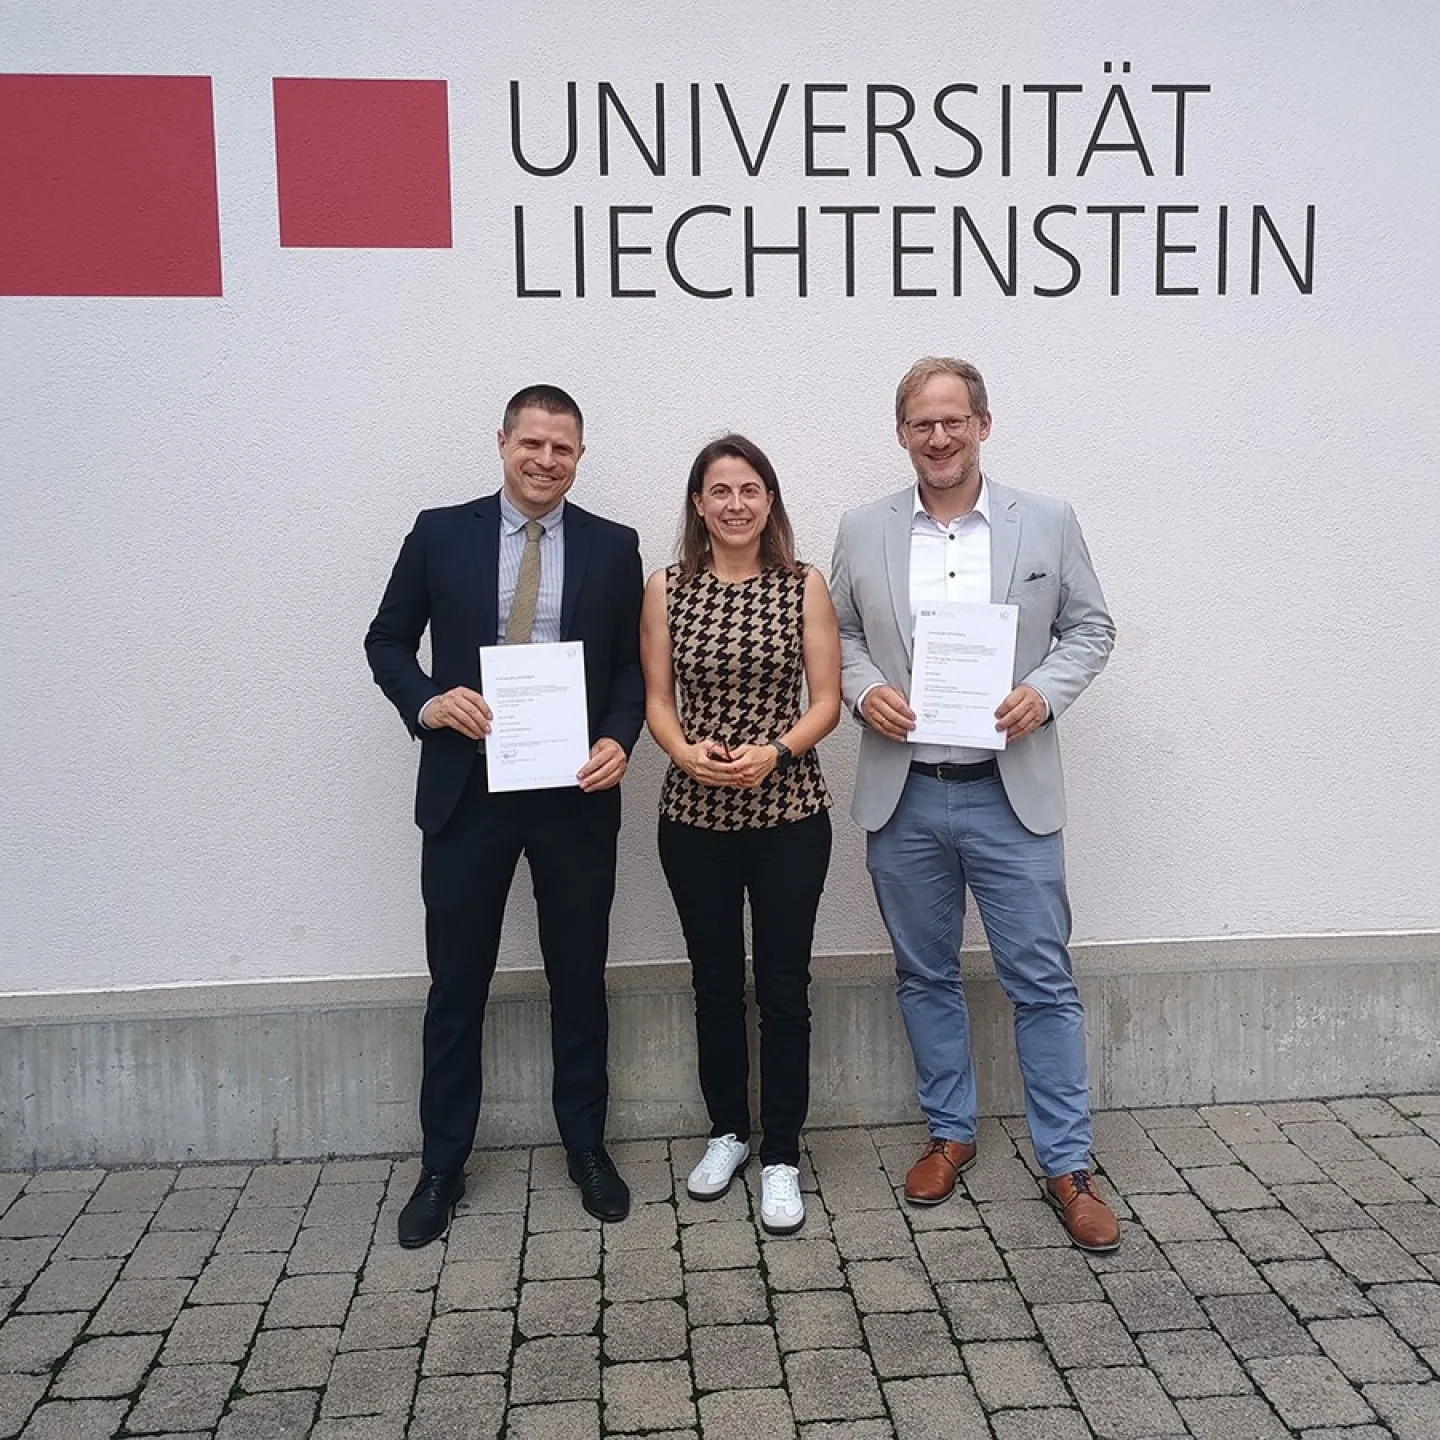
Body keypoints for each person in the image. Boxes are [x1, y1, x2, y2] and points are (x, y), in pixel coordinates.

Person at [829, 357, 1120, 1252]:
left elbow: (1092, 627)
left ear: (984, 425)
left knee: (1043, 983)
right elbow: (833, 631)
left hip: (1010, 793)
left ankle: (1068, 1164)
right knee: (925, 974)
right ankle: (950, 1134)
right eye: (923, 423)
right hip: (907, 791)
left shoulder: (1048, 521)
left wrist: (1043, 690)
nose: (941, 437)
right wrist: (863, 686)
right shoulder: (862, 527)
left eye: (955, 420)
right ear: (903, 433)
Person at [365, 384, 644, 1245]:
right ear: (503, 443)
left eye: (562, 448)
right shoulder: (439, 531)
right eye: (532, 443)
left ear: (580, 455)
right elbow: (384, 639)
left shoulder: (613, 544)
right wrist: (426, 703)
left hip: (571, 793)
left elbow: (633, 669)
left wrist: (619, 738)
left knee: (578, 981)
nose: (545, 460)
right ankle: (442, 1165)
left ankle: (587, 1149)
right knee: (456, 987)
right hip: (466, 792)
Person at [641, 434, 841, 1235]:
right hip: (693, 819)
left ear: (770, 501)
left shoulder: (803, 584)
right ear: (698, 503)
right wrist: (684, 750)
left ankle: (783, 1153)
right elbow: (657, 698)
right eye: (719, 491)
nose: (734, 504)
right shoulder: (667, 587)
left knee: (784, 990)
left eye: (749, 490)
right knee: (716, 985)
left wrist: (777, 751)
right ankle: (727, 1132)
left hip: (789, 814)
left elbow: (825, 698)